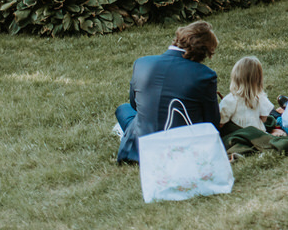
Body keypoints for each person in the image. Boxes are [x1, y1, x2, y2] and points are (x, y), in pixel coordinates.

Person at [115, 22, 219, 163]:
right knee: (125, 110)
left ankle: (130, 132)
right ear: (204, 52)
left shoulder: (141, 63)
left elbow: (135, 105)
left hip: (141, 147)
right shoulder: (205, 74)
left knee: (124, 109)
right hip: (180, 145)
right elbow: (211, 121)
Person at [219, 56, 276, 133]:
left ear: (235, 78)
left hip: (239, 137)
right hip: (258, 135)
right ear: (258, 79)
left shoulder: (230, 100)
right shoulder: (261, 98)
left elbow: (220, 123)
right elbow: (264, 118)